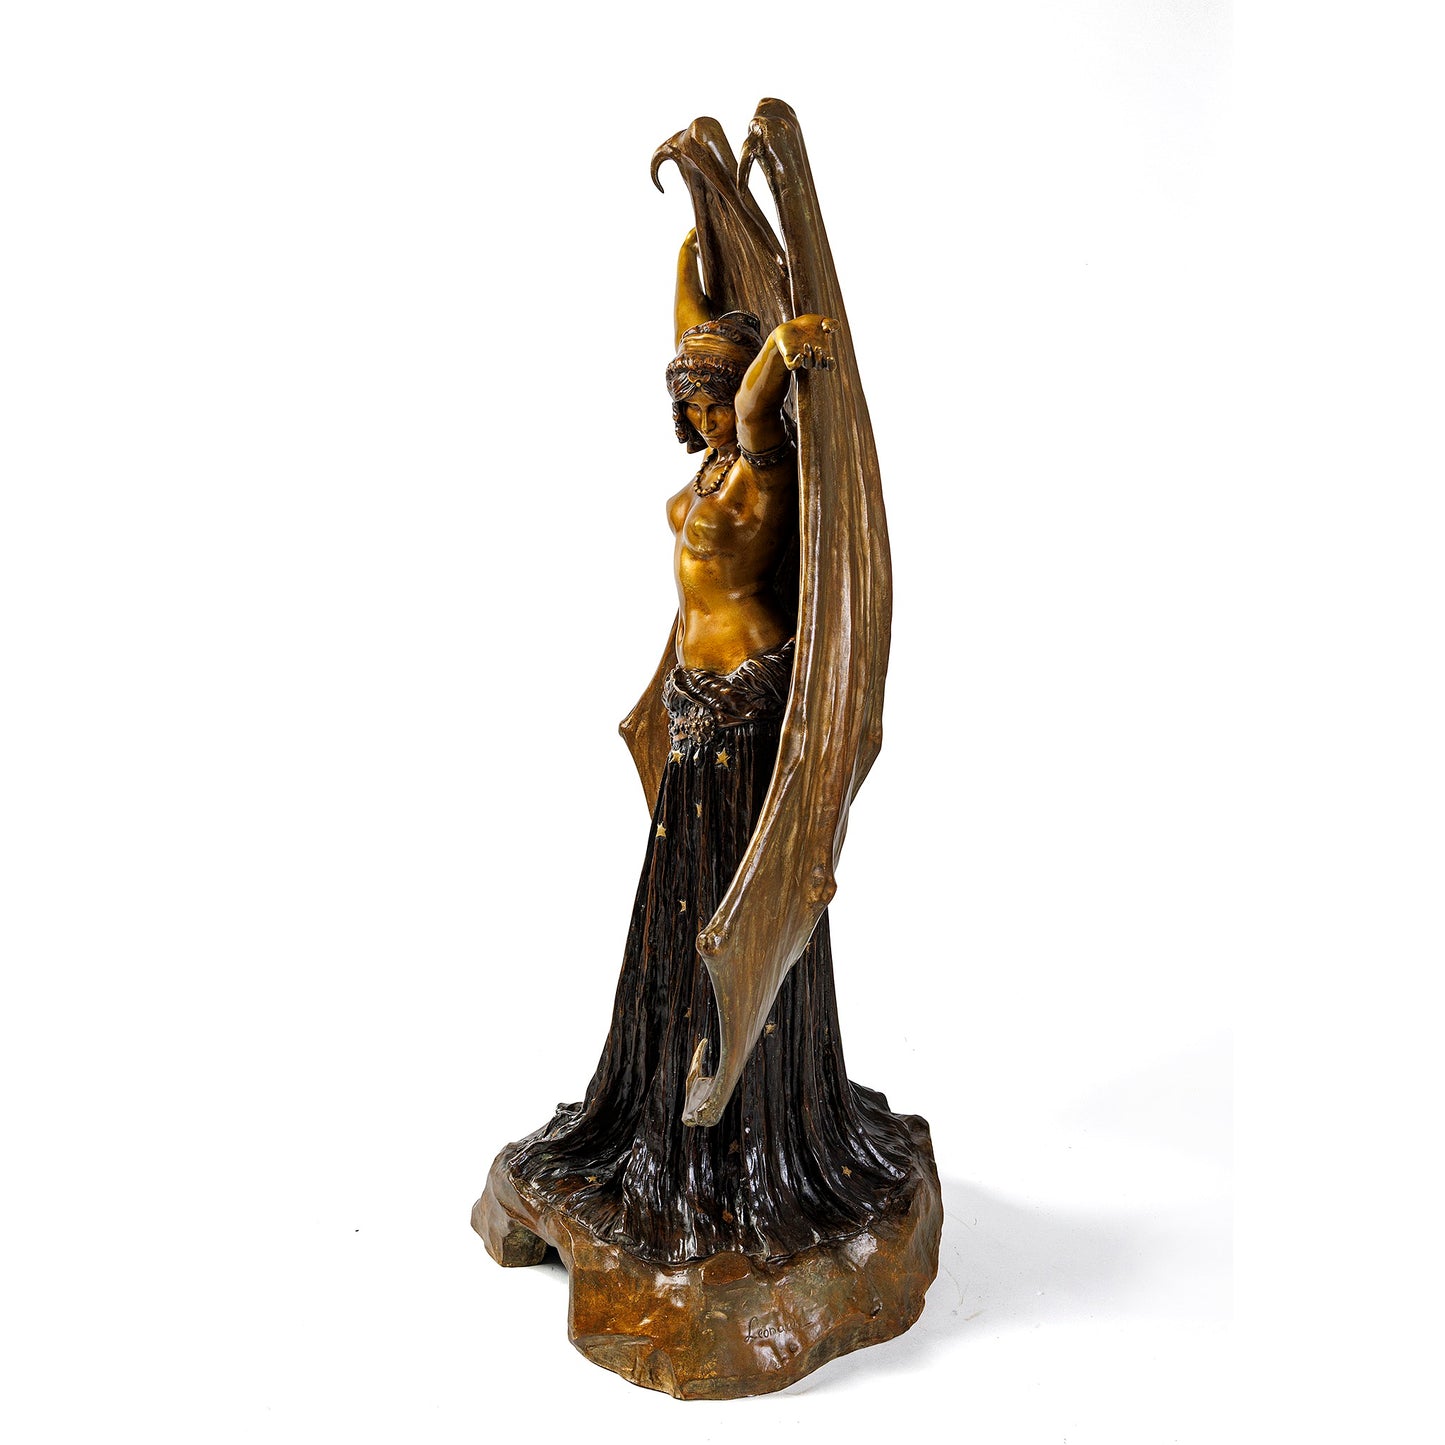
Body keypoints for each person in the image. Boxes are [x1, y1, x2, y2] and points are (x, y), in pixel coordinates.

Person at [497, 233, 921, 1266]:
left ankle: (742, 1113)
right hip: (689, 711)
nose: (701, 418)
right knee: (678, 910)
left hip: (743, 717)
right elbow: (702, 354)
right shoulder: (711, 464)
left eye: (713, 401)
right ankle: (658, 1100)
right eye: (687, 402)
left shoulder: (765, 467)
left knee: (730, 910)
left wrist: (780, 344)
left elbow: (757, 402)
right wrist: (695, 237)